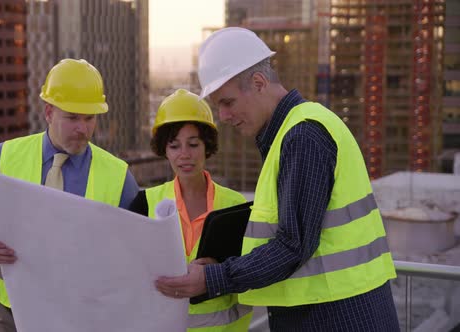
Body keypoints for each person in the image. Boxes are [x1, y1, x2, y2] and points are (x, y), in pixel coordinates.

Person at [155, 27, 400, 331]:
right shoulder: (291, 134)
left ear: (259, 83)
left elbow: (292, 246)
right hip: (331, 311)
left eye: (227, 102)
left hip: (336, 317)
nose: (224, 116)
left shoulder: (303, 135)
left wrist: (211, 279)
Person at [0, 59, 139, 332]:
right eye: (73, 118)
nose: (83, 129)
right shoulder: (2, 158)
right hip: (10, 306)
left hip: (81, 311)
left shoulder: (118, 175)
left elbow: (135, 249)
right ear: (49, 113)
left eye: (89, 119)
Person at [129, 89, 253, 331]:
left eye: (193, 144)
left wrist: (217, 273)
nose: (184, 155)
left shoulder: (235, 206)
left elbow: (252, 273)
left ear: (207, 146)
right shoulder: (144, 204)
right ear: (164, 150)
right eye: (174, 146)